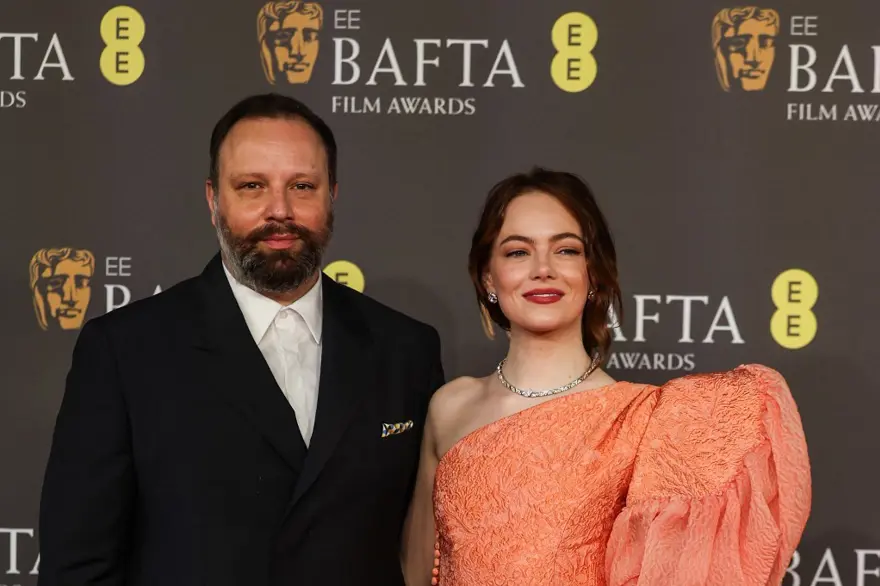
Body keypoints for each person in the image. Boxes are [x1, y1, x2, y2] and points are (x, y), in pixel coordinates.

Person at [38, 93, 445, 586]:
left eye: (302, 186)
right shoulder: (125, 352)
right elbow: (78, 566)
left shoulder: (405, 350)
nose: (280, 210)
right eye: (252, 186)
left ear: (332, 195)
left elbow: (427, 550)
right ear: (213, 200)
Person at [402, 168, 811, 585]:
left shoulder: (643, 421)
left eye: (566, 250)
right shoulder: (450, 407)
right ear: (489, 277)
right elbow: (414, 572)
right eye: (518, 252)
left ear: (593, 273)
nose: (543, 269)